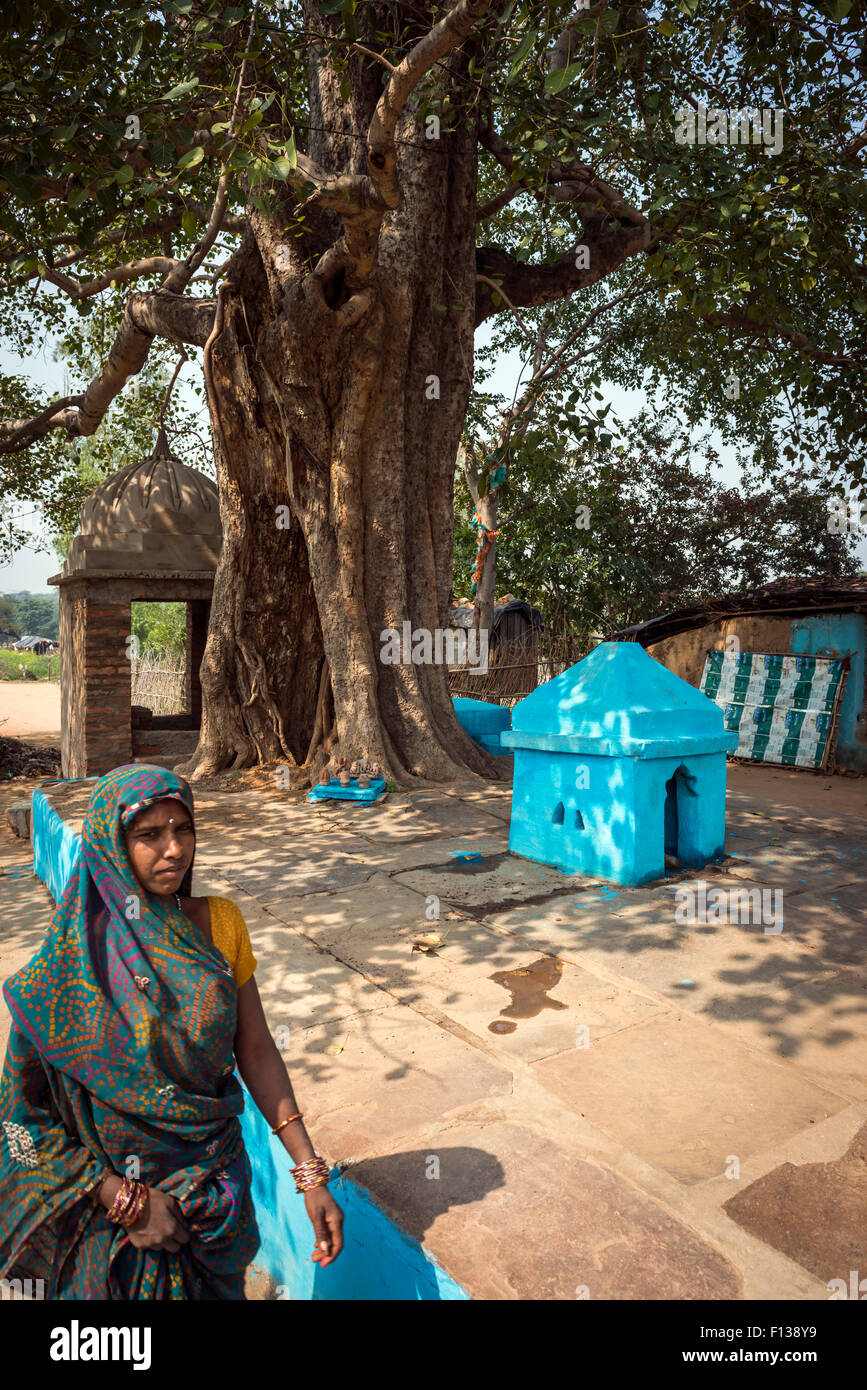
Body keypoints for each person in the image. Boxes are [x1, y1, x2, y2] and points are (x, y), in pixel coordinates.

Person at [0, 763, 344, 1298]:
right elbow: (22, 1122)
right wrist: (124, 1201)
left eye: (183, 829)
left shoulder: (219, 923)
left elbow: (254, 1050)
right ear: (110, 845)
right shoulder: (70, 964)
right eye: (149, 835)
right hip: (114, 1223)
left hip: (214, 1193)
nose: (174, 849)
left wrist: (309, 1172)